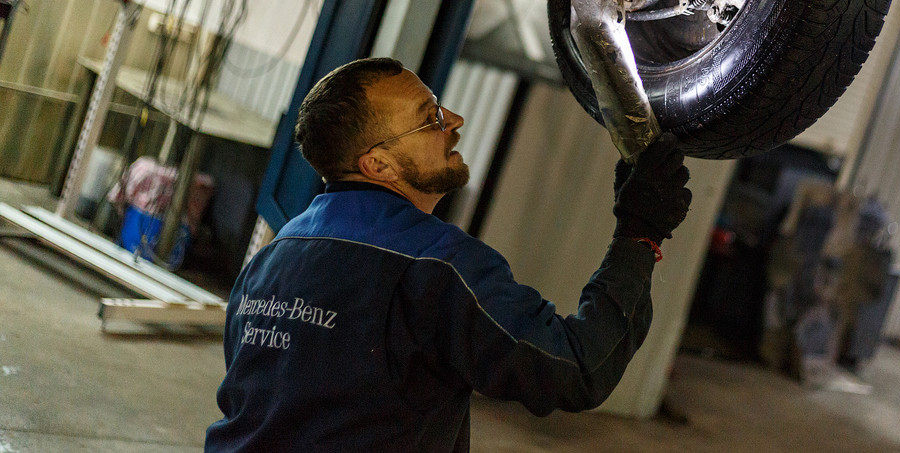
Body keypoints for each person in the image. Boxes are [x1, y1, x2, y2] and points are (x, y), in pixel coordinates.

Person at [204, 57, 692, 452]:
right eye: (430, 119)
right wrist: (639, 233)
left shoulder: (272, 257)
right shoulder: (437, 264)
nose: (454, 121)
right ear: (378, 164)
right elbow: (576, 368)